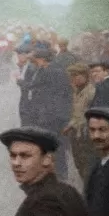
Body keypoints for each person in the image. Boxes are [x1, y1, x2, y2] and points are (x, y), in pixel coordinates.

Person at [22, 48, 73, 180]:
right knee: (58, 143)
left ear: (42, 59)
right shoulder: (59, 70)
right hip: (59, 113)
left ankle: (55, 172)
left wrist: (21, 83)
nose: (36, 62)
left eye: (37, 60)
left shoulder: (47, 71)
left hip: (49, 114)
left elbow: (34, 86)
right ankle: (61, 172)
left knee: (50, 142)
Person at [61, 63, 97, 186]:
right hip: (76, 134)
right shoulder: (77, 92)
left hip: (85, 134)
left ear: (85, 76)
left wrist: (74, 125)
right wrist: (70, 125)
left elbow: (87, 115)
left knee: (87, 166)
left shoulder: (91, 92)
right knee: (79, 164)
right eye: (72, 76)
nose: (73, 79)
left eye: (76, 76)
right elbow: (76, 113)